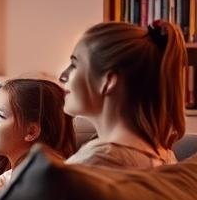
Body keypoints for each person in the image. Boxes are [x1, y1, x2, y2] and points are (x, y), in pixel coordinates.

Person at [59, 19, 185, 168]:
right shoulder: (165, 155)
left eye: (74, 64)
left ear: (109, 81)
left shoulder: (92, 164)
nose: (62, 76)